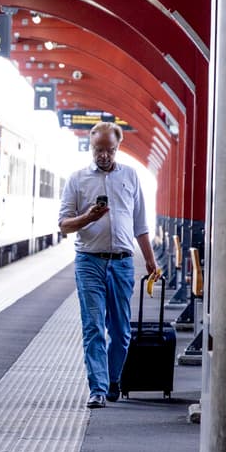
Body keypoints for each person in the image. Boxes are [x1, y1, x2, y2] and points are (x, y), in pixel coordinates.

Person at [58, 121, 159, 408]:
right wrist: (88, 217)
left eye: (110, 150)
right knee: (93, 326)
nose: (104, 155)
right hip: (89, 261)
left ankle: (114, 379)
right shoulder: (77, 180)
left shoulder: (131, 176)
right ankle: (98, 388)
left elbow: (140, 223)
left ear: (118, 147)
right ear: (91, 148)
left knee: (120, 330)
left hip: (122, 263)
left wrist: (150, 261)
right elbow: (64, 225)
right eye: (98, 150)